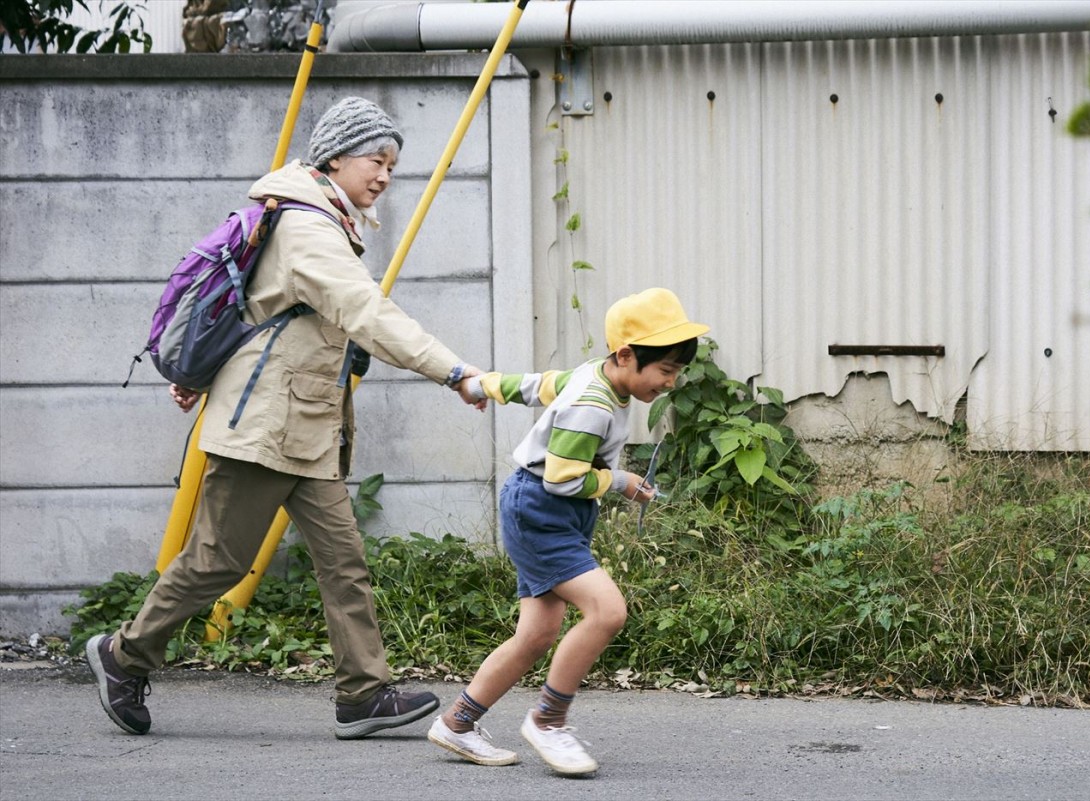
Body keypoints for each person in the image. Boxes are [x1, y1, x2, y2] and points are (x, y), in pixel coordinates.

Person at [87, 96, 485, 739]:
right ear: (335, 156)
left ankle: (363, 693)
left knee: (344, 560)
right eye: (374, 159)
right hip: (265, 426)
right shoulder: (307, 227)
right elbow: (365, 312)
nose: (384, 174)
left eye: (392, 164)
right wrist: (454, 370)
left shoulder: (326, 220)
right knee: (217, 562)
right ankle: (123, 655)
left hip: (306, 428)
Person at [426, 288, 709, 775]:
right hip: (542, 510)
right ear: (625, 355)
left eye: (677, 371)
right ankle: (549, 721)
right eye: (665, 370)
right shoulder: (594, 405)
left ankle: (457, 723)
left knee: (537, 634)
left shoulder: (593, 376)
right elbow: (564, 478)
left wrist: (481, 386)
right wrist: (620, 482)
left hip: (549, 509)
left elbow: (536, 384)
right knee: (607, 611)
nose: (671, 382)